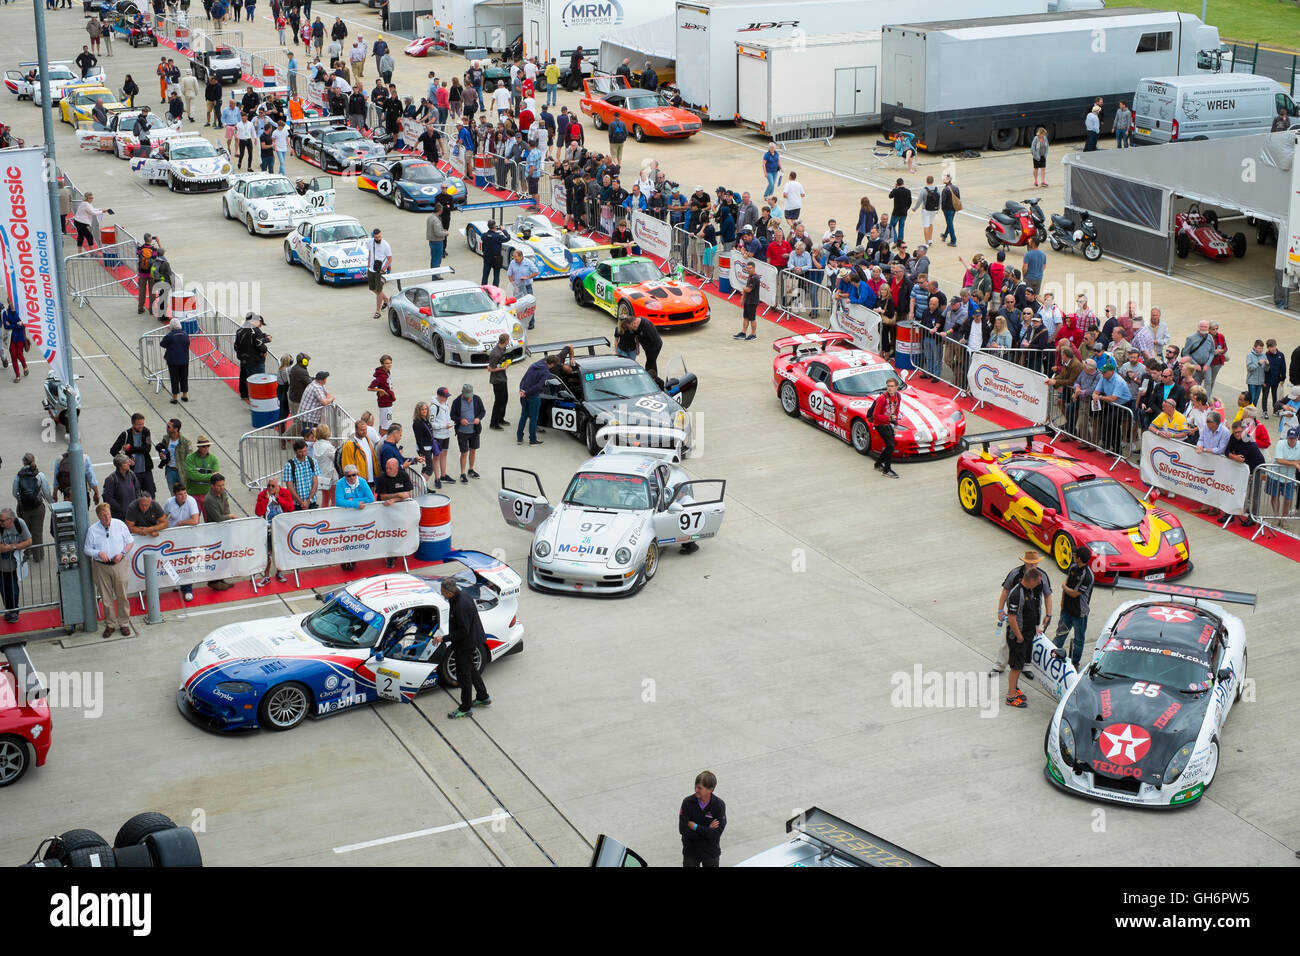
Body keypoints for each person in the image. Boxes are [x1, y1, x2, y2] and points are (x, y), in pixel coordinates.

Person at [85, 502, 133, 638]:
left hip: (119, 564)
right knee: (106, 598)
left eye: (108, 514)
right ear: (98, 517)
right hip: (101, 567)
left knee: (122, 595)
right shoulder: (92, 530)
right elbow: (87, 549)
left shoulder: (120, 524)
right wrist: (98, 553)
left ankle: (124, 623)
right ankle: (110, 624)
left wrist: (122, 553)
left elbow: (130, 541)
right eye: (103, 515)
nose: (107, 517)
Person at [1004, 565, 1048, 708]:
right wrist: (1019, 636)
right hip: (1018, 637)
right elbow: (1012, 618)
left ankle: (1014, 689)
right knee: (1016, 666)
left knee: (1020, 664)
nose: (1038, 585)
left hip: (1027, 634)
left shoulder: (1029, 590)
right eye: (1037, 582)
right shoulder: (1017, 594)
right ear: (1030, 580)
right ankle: (1011, 697)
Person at [161, 484, 200, 602]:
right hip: (173, 538)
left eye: (185, 493)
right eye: (180, 494)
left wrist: (181, 523)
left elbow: (195, 520)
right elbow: (163, 517)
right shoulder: (169, 502)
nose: (183, 496)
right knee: (175, 562)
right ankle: (180, 584)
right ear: (174, 495)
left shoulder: (191, 501)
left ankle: (188, 589)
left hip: (188, 537)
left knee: (186, 563)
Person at [679, 770, 726, 868]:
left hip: (710, 853)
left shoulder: (719, 805)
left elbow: (716, 833)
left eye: (700, 788)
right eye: (695, 786)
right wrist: (708, 830)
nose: (696, 790)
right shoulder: (687, 803)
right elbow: (683, 830)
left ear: (710, 790)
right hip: (691, 853)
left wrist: (695, 827)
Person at [518, 351, 565, 446]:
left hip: (524, 394)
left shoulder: (534, 365)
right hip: (533, 396)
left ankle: (519, 438)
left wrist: (522, 390)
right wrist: (527, 393)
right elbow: (539, 386)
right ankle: (532, 440)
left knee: (523, 416)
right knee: (533, 418)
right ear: (551, 364)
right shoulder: (545, 372)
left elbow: (524, 378)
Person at [12, 453, 51, 564]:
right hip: (38, 508)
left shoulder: (18, 476)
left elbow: (14, 492)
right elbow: (46, 492)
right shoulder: (39, 475)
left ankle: (27, 553)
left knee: (25, 531)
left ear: (23, 462)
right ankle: (38, 556)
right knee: (37, 533)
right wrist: (51, 503)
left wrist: (22, 500)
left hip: (23, 509)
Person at [254, 477, 294, 586]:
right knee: (268, 553)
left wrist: (279, 498)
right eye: (269, 486)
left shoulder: (284, 493)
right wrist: (266, 499)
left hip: (280, 528)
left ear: (278, 487)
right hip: (267, 528)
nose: (270, 488)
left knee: (280, 551)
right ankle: (266, 576)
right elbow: (258, 512)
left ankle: (279, 572)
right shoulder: (262, 495)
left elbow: (290, 508)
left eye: (273, 486)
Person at [0, 509, 31, 623]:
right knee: (4, 590)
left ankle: (14, 612)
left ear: (11, 519)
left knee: (13, 590)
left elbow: (29, 541)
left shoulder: (19, 523)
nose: (1, 523)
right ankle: (9, 610)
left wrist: (11, 547)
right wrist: (17, 545)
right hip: (1, 567)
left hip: (15, 565)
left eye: (3, 521)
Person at [451, 383, 485, 482]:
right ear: (463, 393)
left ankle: (471, 469)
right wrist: (460, 420)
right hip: (462, 432)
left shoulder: (477, 399)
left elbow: (483, 411)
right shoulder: (457, 402)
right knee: (464, 452)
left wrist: (478, 418)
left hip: (474, 430)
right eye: (467, 396)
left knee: (473, 450)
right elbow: (452, 415)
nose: (469, 398)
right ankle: (462, 473)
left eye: (470, 396)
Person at [870, 377, 902, 478]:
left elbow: (896, 411)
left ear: (896, 387)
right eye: (888, 386)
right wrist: (888, 418)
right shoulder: (882, 398)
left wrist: (895, 424)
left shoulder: (898, 396)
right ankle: (886, 470)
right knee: (890, 445)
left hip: (888, 423)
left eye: (892, 386)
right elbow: (875, 415)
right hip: (879, 424)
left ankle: (878, 464)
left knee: (890, 445)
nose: (890, 388)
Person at [158, 317, 191, 404]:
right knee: (184, 378)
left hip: (173, 361)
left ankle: (175, 397)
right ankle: (185, 395)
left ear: (171, 326)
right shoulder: (185, 334)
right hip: (184, 360)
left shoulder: (170, 336)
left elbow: (162, 344)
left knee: (174, 379)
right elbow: (188, 343)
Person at [184, 436, 218, 514]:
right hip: (193, 494)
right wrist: (210, 476)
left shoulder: (214, 459)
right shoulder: (190, 458)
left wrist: (198, 476)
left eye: (208, 445)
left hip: (209, 495)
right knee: (194, 521)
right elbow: (192, 475)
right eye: (203, 446)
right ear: (198, 446)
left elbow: (215, 477)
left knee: (210, 520)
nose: (206, 448)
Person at [283, 440, 320, 511]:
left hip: (311, 502)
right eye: (300, 452)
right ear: (295, 451)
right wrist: (301, 502)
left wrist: (308, 500)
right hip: (296, 504)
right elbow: (290, 487)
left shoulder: (313, 462)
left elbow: (315, 483)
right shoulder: (289, 466)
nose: (303, 454)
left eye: (305, 451)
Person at [486, 333, 512, 431]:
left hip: (503, 378)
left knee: (504, 400)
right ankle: (493, 423)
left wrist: (506, 363)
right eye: (508, 340)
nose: (508, 341)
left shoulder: (503, 349)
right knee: (498, 402)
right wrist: (503, 368)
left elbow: (501, 362)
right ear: (505, 341)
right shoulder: (495, 353)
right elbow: (490, 369)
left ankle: (501, 419)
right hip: (497, 380)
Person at [368, 355, 397, 430]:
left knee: (384, 424)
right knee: (386, 426)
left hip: (388, 402)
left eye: (390, 363)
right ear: (382, 364)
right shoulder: (381, 376)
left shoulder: (387, 372)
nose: (389, 365)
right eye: (387, 363)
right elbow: (370, 388)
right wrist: (381, 390)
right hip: (385, 403)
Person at [426, 200, 448, 269]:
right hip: (437, 242)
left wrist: (441, 230)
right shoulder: (436, 220)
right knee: (437, 260)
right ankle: (436, 276)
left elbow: (434, 229)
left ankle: (434, 274)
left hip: (432, 241)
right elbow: (438, 233)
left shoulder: (430, 217)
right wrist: (446, 233)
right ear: (439, 211)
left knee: (433, 259)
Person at [887, 178, 910, 243]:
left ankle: (896, 240)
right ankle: (900, 241)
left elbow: (890, 196)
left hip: (896, 212)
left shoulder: (896, 191)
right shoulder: (908, 191)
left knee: (891, 226)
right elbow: (909, 202)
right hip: (904, 212)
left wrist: (894, 188)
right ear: (903, 183)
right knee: (901, 227)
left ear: (897, 184)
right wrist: (906, 208)